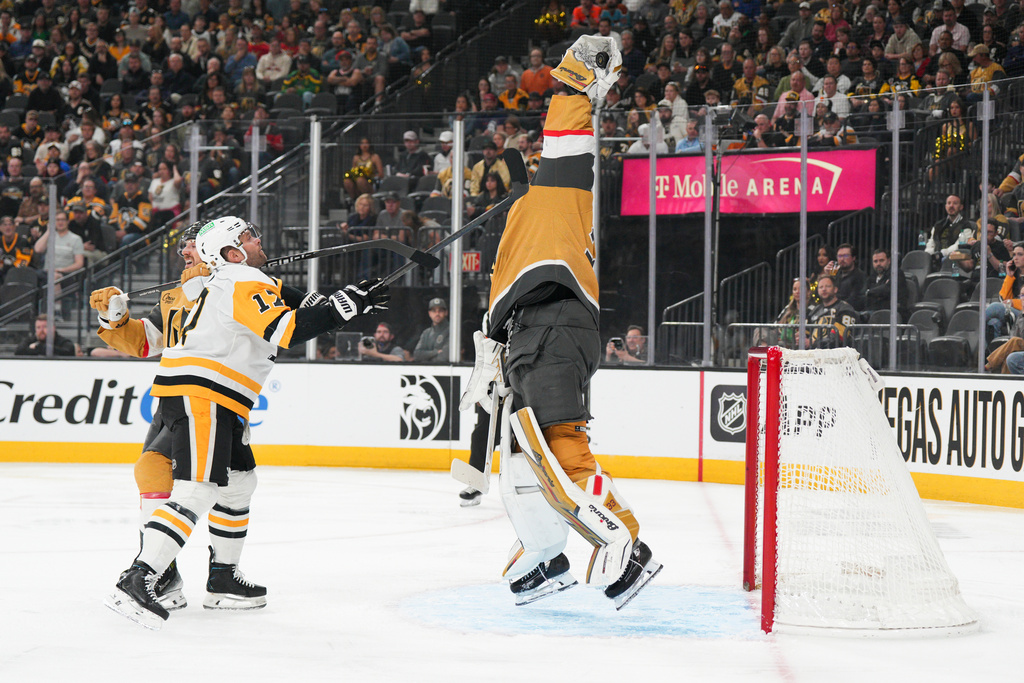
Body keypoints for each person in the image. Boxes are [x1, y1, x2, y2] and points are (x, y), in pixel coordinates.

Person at [104, 216, 390, 629]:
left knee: (239, 482)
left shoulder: (233, 280)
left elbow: (300, 308)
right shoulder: (242, 278)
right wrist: (347, 305)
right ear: (232, 253)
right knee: (197, 488)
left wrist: (343, 303)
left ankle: (223, 579)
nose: (258, 239)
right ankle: (142, 576)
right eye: (248, 237)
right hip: (206, 396)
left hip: (211, 398)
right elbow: (286, 329)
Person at [461, 35, 659, 608]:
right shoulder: (520, 234)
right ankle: (545, 556)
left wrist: (574, 83)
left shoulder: (553, 200)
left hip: (551, 331)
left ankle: (624, 540)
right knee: (522, 462)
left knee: (555, 447)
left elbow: (566, 145)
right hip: (538, 337)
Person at [986, 243, 1024, 342]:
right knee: (993, 322)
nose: (1016, 258)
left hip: (1021, 313)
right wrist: (1010, 276)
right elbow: (1003, 298)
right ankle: (991, 354)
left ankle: (976, 325)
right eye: (1014, 255)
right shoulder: (1015, 274)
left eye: (1020, 254)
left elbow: (1006, 302)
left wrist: (1012, 303)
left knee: (995, 307)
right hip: (1013, 312)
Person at [808, 274, 859, 347]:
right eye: (821, 287)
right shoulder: (814, 311)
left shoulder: (845, 309)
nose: (824, 289)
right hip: (811, 353)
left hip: (835, 354)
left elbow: (837, 338)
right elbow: (804, 334)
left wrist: (812, 343)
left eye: (828, 286)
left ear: (835, 289)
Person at [863, 248, 909, 318]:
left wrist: (870, 292)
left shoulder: (896, 273)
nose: (878, 264)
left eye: (881, 260)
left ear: (889, 261)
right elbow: (864, 294)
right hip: (872, 313)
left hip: (892, 314)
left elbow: (888, 289)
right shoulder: (871, 278)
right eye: (875, 261)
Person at [926, 194, 972, 261]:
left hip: (954, 259)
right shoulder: (938, 224)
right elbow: (931, 242)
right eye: (949, 203)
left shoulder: (966, 225)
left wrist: (943, 253)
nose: (951, 206)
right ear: (945, 206)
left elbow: (960, 244)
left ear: (961, 207)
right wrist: (928, 253)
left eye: (955, 203)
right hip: (936, 257)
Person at [412, 296, 450, 362]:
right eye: (434, 311)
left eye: (440, 311)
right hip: (427, 371)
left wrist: (427, 358)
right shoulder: (426, 333)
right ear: (429, 313)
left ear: (446, 312)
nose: (437, 314)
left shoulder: (452, 331)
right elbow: (417, 355)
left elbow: (445, 357)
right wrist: (435, 352)